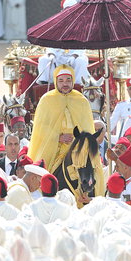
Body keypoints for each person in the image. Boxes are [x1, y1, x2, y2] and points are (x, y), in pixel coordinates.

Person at [28, 65, 103, 194]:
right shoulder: (47, 100)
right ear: (56, 82)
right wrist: (58, 137)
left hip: (78, 148)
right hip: (54, 147)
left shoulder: (81, 101)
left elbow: (87, 128)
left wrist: (79, 140)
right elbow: (40, 128)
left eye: (68, 80)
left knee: (92, 172)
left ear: (73, 81)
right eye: (61, 80)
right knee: (44, 174)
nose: (65, 84)